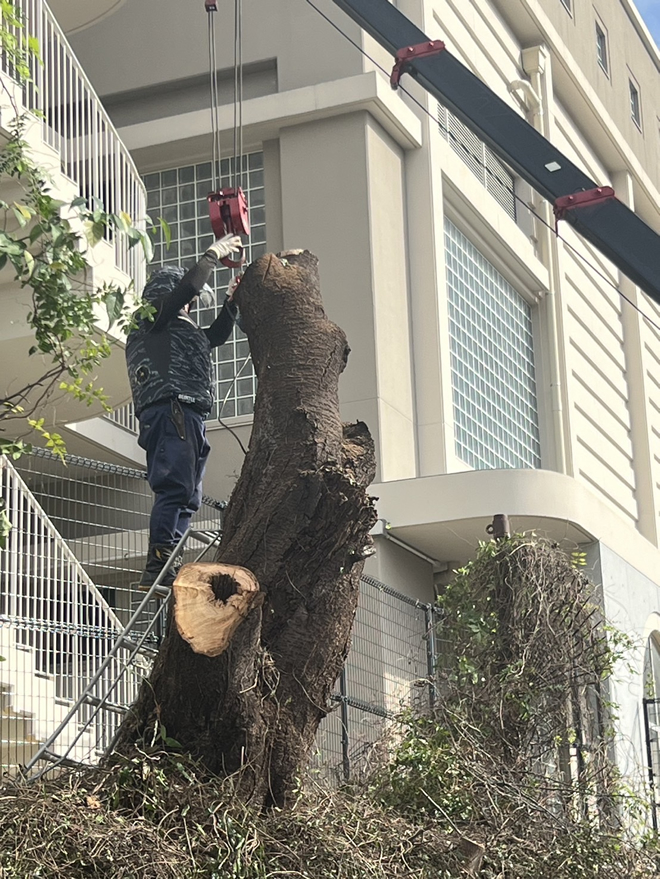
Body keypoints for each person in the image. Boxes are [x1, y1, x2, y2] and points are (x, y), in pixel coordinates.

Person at [125, 233, 243, 589]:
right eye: (187, 301)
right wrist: (210, 256)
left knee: (188, 496)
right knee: (175, 488)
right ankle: (157, 565)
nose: (191, 307)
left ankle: (166, 564)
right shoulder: (150, 319)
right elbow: (186, 289)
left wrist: (231, 303)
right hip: (171, 410)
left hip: (186, 414)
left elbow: (215, 336)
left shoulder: (177, 328)